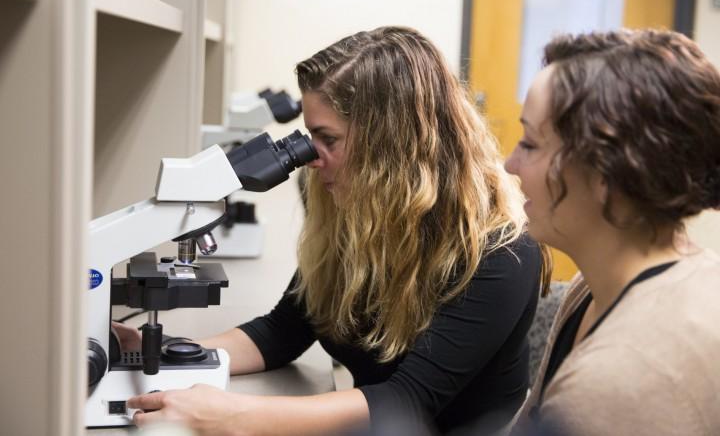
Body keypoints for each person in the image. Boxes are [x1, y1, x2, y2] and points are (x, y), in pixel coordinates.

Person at [122, 26, 550, 435]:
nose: (311, 157)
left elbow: (407, 401)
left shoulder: (500, 252)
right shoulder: (359, 218)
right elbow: (282, 331)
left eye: (328, 139)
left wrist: (231, 416)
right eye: (310, 137)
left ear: (391, 143)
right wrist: (155, 353)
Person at [505, 29, 720, 436]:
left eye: (530, 144)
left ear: (609, 176)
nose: (509, 163)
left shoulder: (618, 381)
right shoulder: (591, 288)